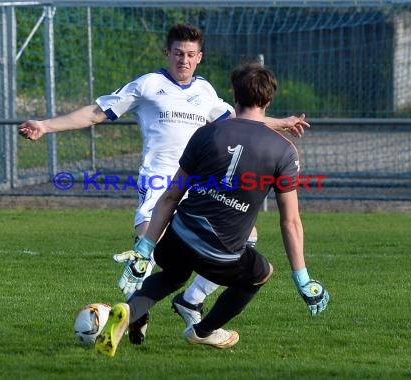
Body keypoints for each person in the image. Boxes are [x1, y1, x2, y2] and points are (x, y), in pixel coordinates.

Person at [18, 23, 310, 345]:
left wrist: (281, 122)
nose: (183, 60)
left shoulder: (205, 93)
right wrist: (45, 125)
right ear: (167, 53)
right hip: (160, 185)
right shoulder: (148, 85)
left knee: (246, 238)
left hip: (197, 189)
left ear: (199, 58)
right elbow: (95, 113)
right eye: (178, 53)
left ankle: (189, 301)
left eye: (190, 54)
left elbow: (244, 118)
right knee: (146, 254)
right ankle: (132, 314)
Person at [95, 62, 329, 357]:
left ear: (234, 95)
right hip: (222, 255)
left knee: (174, 273)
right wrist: (303, 280)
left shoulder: (207, 133)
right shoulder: (284, 151)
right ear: (268, 102)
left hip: (177, 237)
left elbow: (170, 196)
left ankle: (129, 311)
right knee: (261, 273)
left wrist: (144, 249)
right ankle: (203, 331)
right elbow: (290, 222)